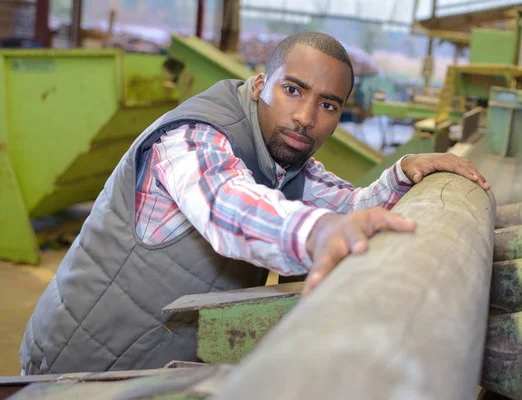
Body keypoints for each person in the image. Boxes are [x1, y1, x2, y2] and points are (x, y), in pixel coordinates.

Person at [20, 32, 489, 375]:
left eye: (328, 105)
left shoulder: (283, 163)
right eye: (293, 91)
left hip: (153, 373)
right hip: (76, 368)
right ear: (262, 81)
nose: (305, 118)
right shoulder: (194, 136)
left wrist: (405, 172)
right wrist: (316, 232)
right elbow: (229, 206)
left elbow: (351, 203)